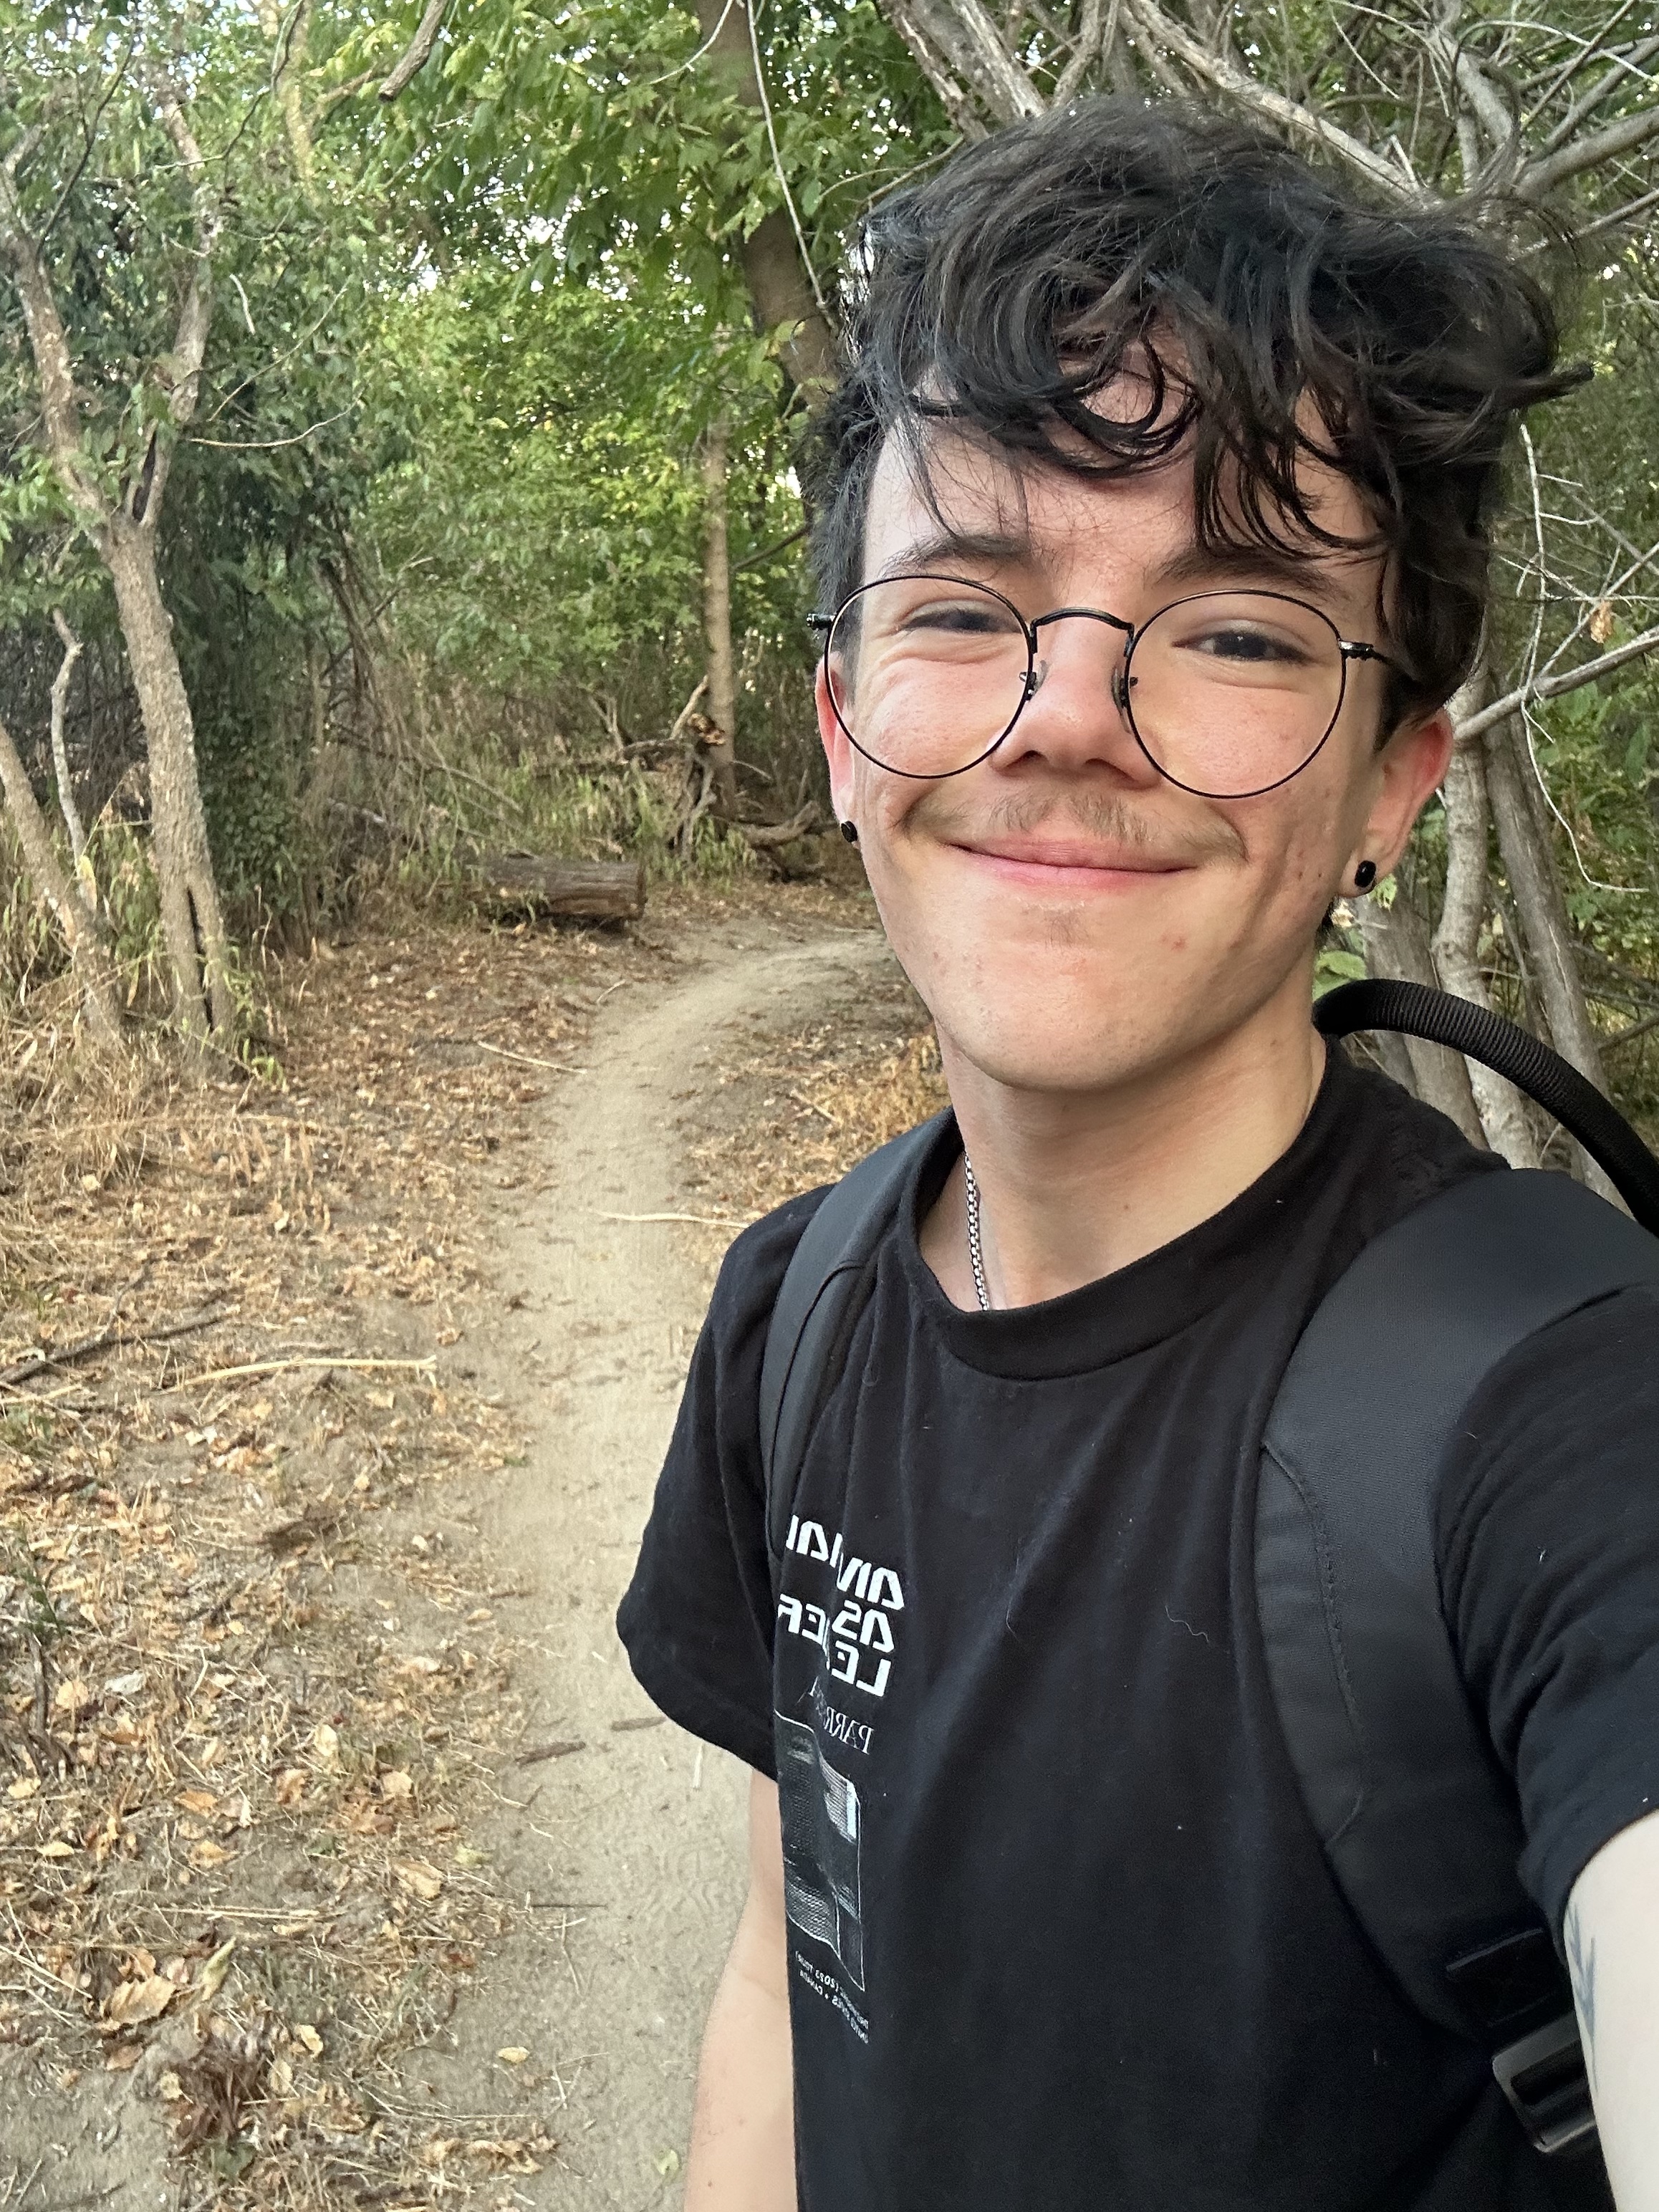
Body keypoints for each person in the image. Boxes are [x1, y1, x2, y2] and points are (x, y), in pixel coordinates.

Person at [617, 96, 1659, 2211]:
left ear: (1393, 783)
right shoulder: (791, 1321)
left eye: (1241, 632)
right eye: (960, 607)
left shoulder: (1564, 1416)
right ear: (843, 733)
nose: (1066, 715)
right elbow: (787, 1977)